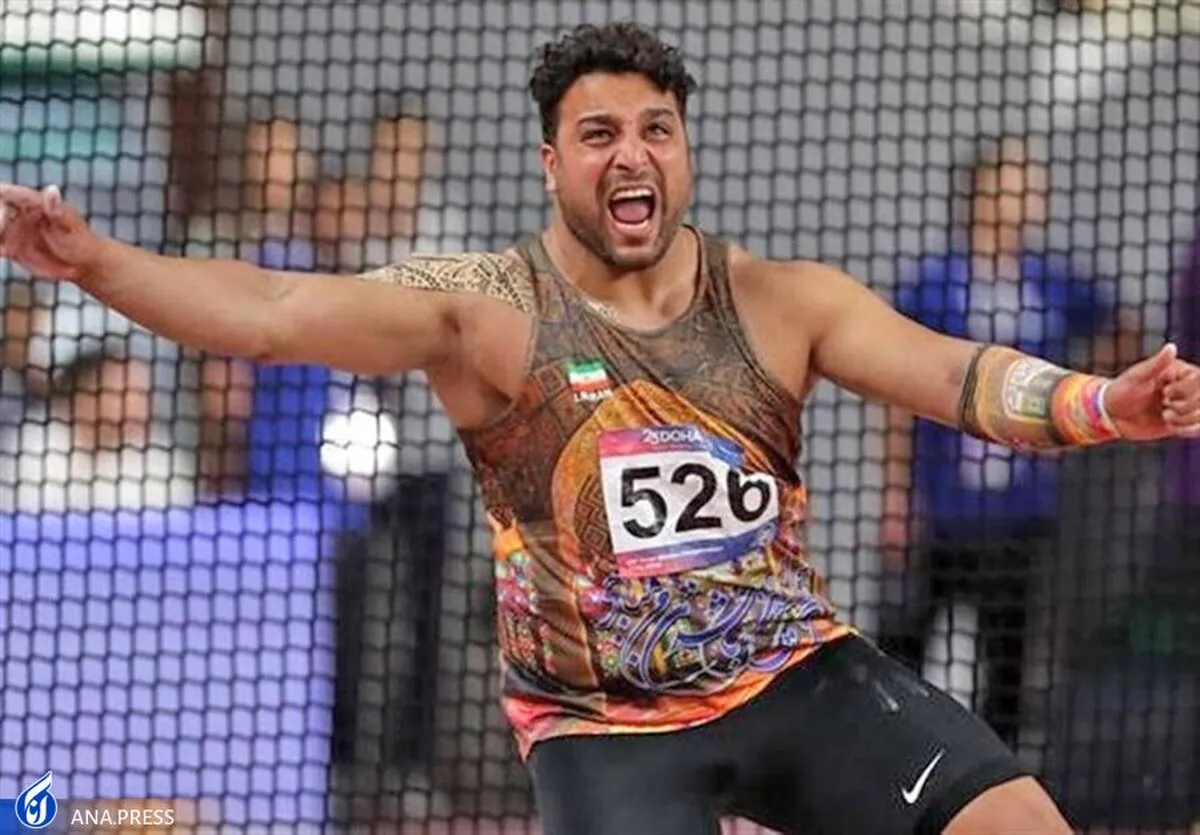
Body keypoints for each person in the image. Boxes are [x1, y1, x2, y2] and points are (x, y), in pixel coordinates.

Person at [1, 21, 1198, 835]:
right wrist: (95, 261)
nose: (632, 154)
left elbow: (959, 376)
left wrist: (1105, 404)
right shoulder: (488, 313)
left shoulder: (782, 300)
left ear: (684, 149)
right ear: (552, 163)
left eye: (656, 129)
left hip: (794, 671)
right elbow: (270, 312)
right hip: (604, 723)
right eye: (599, 134)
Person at [877, 136, 1133, 750]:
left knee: (1008, 662)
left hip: (1020, 512)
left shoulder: (1052, 282)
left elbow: (1121, 332)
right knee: (905, 648)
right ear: (980, 193)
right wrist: (897, 497)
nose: (1028, 199)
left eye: (1033, 186)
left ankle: (996, 774)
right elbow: (896, 398)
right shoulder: (935, 284)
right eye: (1013, 183)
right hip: (944, 509)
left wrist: (1078, 406)